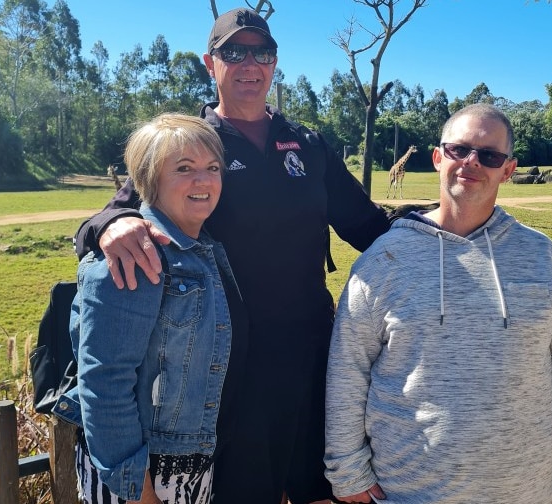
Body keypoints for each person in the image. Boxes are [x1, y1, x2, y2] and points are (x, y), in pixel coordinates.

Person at [73, 8, 393, 504]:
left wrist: (438, 232)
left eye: (262, 52)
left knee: (317, 488)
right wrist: (111, 225)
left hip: (310, 355)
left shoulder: (308, 146)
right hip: (224, 368)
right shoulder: (191, 144)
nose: (250, 63)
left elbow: (369, 226)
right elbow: (109, 216)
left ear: (274, 63)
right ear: (211, 62)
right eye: (234, 52)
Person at [324, 103, 552, 504]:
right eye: (459, 150)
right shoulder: (384, 260)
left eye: (489, 155)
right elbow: (348, 371)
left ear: (508, 169)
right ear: (439, 157)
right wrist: (348, 470)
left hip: (523, 489)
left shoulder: (544, 259)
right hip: (408, 489)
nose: (472, 162)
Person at [53, 113, 247, 504]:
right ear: (148, 178)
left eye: (212, 168)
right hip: (143, 479)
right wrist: (138, 492)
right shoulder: (136, 256)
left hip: (189, 470)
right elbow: (105, 384)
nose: (204, 180)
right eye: (184, 168)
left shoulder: (202, 251)